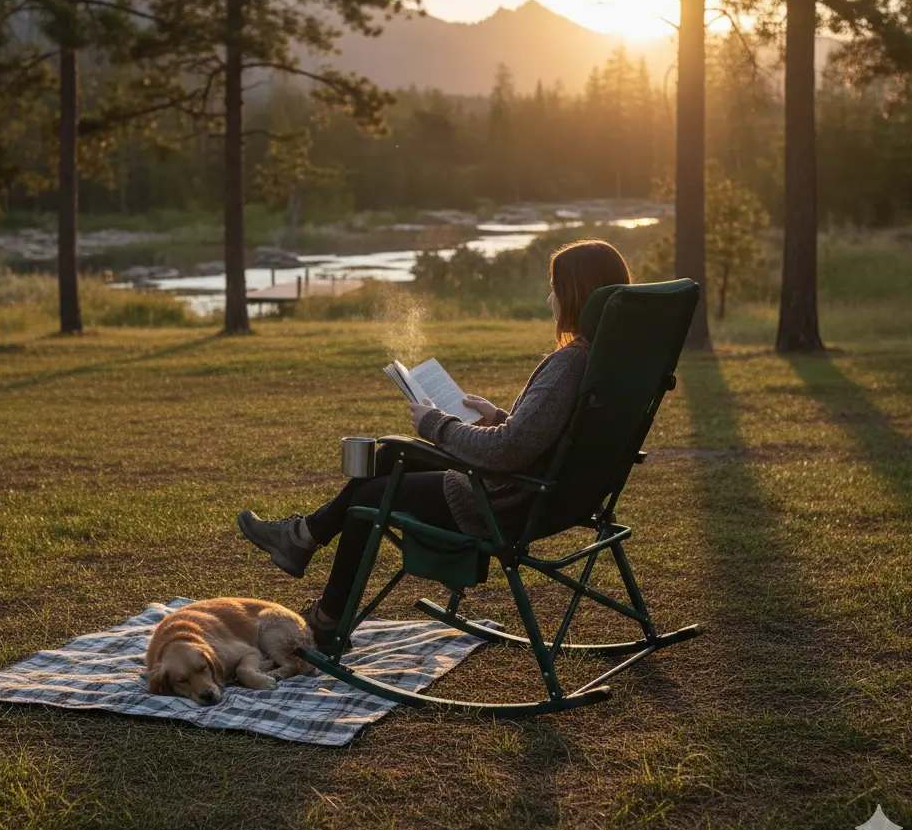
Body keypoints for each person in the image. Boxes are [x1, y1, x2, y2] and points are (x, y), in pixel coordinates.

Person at [238, 238, 633, 649]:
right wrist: (498, 417)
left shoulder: (569, 363)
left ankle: (326, 618)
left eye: (555, 287)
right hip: (553, 495)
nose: (549, 297)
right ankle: (302, 536)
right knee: (390, 454)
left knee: (368, 499)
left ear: (576, 296)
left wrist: (437, 424)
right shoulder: (612, 363)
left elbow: (506, 451)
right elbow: (551, 437)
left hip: (503, 501)